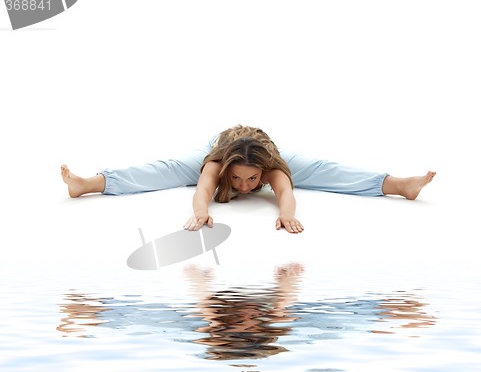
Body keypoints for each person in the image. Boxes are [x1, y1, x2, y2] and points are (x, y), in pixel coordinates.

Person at [60, 125, 436, 234]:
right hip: (221, 145)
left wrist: (287, 214)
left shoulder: (272, 166)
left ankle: (400, 185)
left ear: (262, 172)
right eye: (237, 180)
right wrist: (201, 212)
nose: (243, 188)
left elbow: (286, 189)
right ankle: (88, 184)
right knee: (167, 169)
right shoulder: (217, 164)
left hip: (262, 146)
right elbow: (205, 187)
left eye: (251, 180)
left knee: (322, 170)